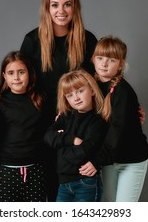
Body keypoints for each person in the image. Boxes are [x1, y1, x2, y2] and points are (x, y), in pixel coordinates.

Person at [20, 0, 98, 201]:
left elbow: (101, 82)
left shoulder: (87, 40)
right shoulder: (33, 41)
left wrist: (127, 108)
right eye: (55, 5)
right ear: (47, 8)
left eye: (67, 4)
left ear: (75, 7)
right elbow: (17, 83)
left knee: (77, 195)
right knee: (47, 195)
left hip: (77, 131)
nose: (61, 11)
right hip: (42, 130)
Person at [79, 36, 148, 202]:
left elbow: (117, 130)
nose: (104, 64)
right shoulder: (90, 86)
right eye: (100, 58)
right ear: (93, 60)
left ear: (121, 64)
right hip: (109, 160)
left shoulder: (123, 92)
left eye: (111, 60)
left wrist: (96, 162)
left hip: (131, 160)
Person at [0, 51, 47, 202]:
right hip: (5, 171)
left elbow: (47, 134)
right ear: (4, 75)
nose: (16, 77)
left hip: (36, 170)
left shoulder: (40, 99)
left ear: (29, 73)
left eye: (21, 72)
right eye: (11, 73)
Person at [44, 70, 108, 202]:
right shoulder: (65, 117)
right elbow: (48, 137)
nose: (76, 98)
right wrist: (72, 139)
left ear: (92, 91)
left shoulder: (97, 122)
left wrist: (61, 148)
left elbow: (83, 152)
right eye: (70, 95)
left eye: (80, 91)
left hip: (86, 183)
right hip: (63, 184)